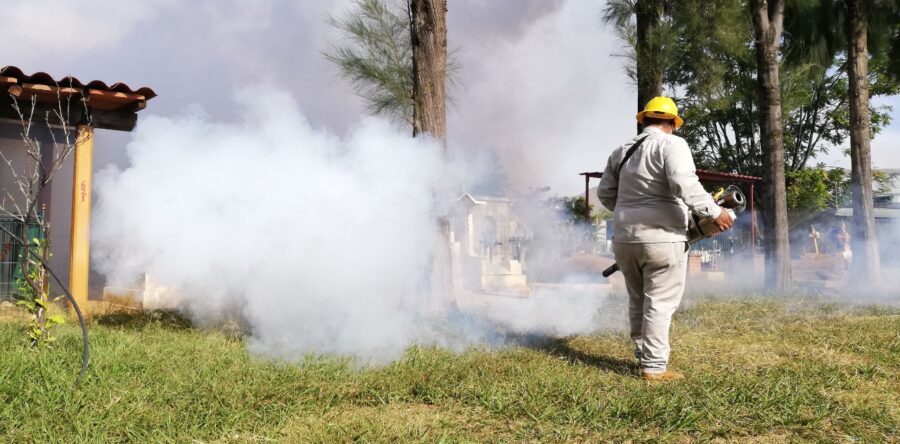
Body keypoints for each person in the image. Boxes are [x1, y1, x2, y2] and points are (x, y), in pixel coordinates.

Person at [597, 96, 733, 382]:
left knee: (637, 299)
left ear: (643, 120)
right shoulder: (673, 144)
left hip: (624, 239)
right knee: (659, 302)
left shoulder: (621, 151)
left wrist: (630, 213)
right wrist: (715, 211)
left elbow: (606, 194)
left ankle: (642, 353)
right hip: (663, 238)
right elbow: (684, 183)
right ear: (672, 123)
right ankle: (654, 368)